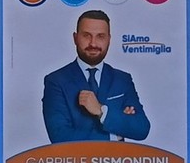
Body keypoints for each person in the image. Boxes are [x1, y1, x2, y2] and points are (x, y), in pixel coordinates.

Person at [42, 10, 150, 144]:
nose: (93, 43)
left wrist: (101, 111)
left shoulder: (123, 79)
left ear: (109, 40)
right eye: (86, 35)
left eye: (100, 36)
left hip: (117, 158)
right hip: (76, 159)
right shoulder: (56, 81)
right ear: (75, 38)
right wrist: (115, 133)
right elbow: (60, 137)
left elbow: (141, 128)